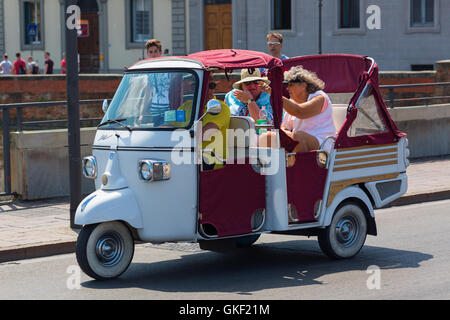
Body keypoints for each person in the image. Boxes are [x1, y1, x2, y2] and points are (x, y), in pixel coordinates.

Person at [259, 66, 336, 153]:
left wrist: (274, 94)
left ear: (303, 85)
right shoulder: (292, 102)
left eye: (291, 85)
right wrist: (284, 135)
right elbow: (284, 127)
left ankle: (292, 165)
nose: (287, 88)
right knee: (266, 137)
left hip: (323, 143)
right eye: (287, 85)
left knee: (298, 137)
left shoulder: (320, 97)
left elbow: (300, 112)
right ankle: (276, 165)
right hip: (299, 141)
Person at [138, 39, 170, 126]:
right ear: (147, 53)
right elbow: (148, 93)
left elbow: (175, 89)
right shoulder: (149, 72)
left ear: (160, 52)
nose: (153, 54)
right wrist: (142, 113)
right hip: (154, 108)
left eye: (156, 51)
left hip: (168, 107)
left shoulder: (169, 69)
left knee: (166, 131)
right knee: (156, 131)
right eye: (151, 52)